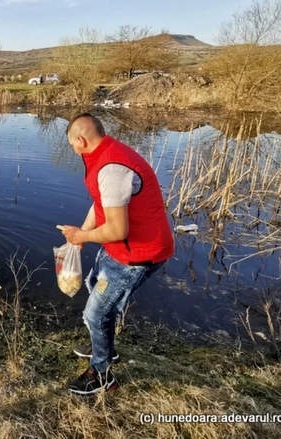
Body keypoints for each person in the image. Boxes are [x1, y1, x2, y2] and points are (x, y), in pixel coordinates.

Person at [60, 113, 174, 395]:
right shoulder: (105, 154)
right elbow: (102, 204)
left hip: (136, 254)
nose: (73, 150)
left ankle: (102, 376)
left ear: (81, 139)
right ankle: (104, 349)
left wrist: (83, 235)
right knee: (94, 290)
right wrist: (82, 236)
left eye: (72, 144)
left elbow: (117, 229)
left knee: (96, 313)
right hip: (119, 248)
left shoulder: (112, 168)